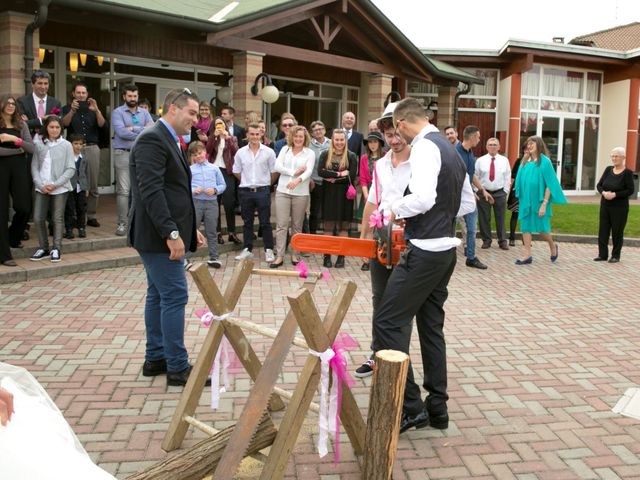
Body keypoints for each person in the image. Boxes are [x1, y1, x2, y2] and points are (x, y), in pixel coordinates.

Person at [372, 98, 475, 434]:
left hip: (426, 251)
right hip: (444, 249)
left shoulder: (425, 147)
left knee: (386, 323)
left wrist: (392, 209)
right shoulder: (450, 149)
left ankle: (412, 407)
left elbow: (425, 198)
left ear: (402, 123)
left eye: (393, 127)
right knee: (430, 327)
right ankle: (438, 408)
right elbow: (465, 203)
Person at [128, 88, 206, 387]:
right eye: (191, 113)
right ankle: (176, 366)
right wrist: (172, 234)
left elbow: (174, 191)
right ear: (173, 109)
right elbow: (152, 192)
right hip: (157, 237)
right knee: (175, 295)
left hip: (162, 234)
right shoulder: (151, 139)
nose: (195, 120)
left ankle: (156, 358)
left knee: (159, 295)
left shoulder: (169, 138)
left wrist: (189, 230)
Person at [355, 102, 411, 378]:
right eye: (389, 135)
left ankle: (399, 358)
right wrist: (365, 236)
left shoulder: (420, 164)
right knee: (380, 297)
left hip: (409, 239)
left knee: (402, 302)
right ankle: (377, 353)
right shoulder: (379, 166)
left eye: (398, 133)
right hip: (381, 235)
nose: (394, 140)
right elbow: (372, 202)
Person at [514, 136, 567, 265]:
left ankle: (553, 246)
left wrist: (544, 203)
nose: (529, 146)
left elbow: (550, 184)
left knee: (542, 230)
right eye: (528, 144)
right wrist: (523, 162)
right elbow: (518, 181)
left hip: (539, 201)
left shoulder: (545, 161)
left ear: (539, 145)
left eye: (532, 143)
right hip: (526, 200)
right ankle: (527, 255)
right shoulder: (525, 161)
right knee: (525, 227)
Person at [30, 116, 75, 263]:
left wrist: (55, 184)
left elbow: (70, 168)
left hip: (59, 187)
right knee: (38, 217)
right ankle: (43, 247)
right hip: (41, 187)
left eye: (57, 127)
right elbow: (35, 167)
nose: (54, 130)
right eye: (51, 127)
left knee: (57, 218)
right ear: (46, 128)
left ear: (61, 128)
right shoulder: (39, 145)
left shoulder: (67, 145)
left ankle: (56, 248)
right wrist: (40, 184)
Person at [111, 83, 154, 236]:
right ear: (124, 96)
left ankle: (139, 221)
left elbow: (152, 129)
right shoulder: (117, 112)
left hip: (141, 153)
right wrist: (142, 130)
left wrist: (133, 129)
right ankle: (122, 224)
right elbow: (121, 132)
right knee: (123, 190)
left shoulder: (144, 112)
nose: (133, 99)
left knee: (141, 188)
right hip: (122, 153)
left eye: (135, 96)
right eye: (129, 96)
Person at [61, 82, 106, 228]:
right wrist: (72, 112)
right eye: (78, 92)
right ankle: (74, 216)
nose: (81, 95)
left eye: (83, 93)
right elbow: (63, 125)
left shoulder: (93, 109)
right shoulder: (67, 109)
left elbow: (102, 125)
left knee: (93, 184)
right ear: (73, 94)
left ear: (87, 94)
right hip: (73, 149)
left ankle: (91, 215)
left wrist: (97, 110)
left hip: (92, 148)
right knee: (73, 183)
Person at [233, 123, 277, 262]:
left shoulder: (269, 152)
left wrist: (265, 184)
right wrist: (247, 182)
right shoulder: (240, 152)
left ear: (261, 135)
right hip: (246, 192)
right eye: (252, 134)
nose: (254, 137)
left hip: (263, 191)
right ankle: (247, 249)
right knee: (247, 222)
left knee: (265, 222)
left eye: (257, 134)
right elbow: (236, 171)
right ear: (247, 135)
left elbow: (274, 171)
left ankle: (269, 249)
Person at [272, 125, 315, 268]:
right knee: (281, 225)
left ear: (305, 138)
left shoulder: (309, 153)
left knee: (297, 226)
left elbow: (308, 171)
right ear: (292, 137)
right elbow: (277, 166)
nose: (298, 139)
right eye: (296, 136)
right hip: (283, 192)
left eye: (301, 137)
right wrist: (294, 172)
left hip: (301, 193)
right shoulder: (285, 150)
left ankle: (295, 254)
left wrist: (298, 180)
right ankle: (279, 256)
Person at [0, 94, 34, 267]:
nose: (11, 106)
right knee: (2, 211)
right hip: (1, 167)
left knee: (24, 206)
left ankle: (13, 237)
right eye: (8, 103)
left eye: (13, 103)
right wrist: (18, 149)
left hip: (19, 167)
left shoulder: (22, 124)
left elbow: (31, 148)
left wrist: (14, 139)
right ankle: (4, 254)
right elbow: (22, 149)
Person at [317, 128, 357, 268]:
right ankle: (326, 256)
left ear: (345, 141)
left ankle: (341, 257)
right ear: (332, 140)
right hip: (328, 194)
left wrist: (332, 178)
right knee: (328, 226)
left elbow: (351, 176)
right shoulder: (325, 154)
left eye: (341, 140)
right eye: (336, 139)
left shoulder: (351, 156)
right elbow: (320, 172)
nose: (339, 142)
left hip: (345, 195)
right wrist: (340, 175)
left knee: (343, 227)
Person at [455, 125, 490, 270]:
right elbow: (455, 176)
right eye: (478, 137)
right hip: (456, 196)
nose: (479, 139)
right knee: (449, 227)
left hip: (468, 195)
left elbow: (471, 175)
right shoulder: (455, 152)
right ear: (472, 137)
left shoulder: (470, 153)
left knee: (471, 228)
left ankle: (471, 257)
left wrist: (481, 190)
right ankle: (446, 257)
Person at [188, 140, 226, 268]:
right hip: (196, 203)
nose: (198, 156)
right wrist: (193, 191)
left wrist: (215, 190)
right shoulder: (190, 170)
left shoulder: (214, 168)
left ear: (205, 152)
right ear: (192, 157)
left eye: (200, 153)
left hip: (211, 203)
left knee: (212, 231)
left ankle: (214, 257)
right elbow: (184, 187)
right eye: (195, 154)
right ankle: (185, 257)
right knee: (192, 230)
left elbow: (223, 185)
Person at [594, 147, 635, 263]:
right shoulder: (608, 170)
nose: (614, 158)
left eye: (616, 156)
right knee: (603, 230)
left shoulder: (627, 173)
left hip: (619, 207)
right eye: (612, 156)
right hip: (605, 205)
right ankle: (602, 255)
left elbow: (630, 190)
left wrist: (615, 194)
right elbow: (599, 185)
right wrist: (603, 192)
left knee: (617, 232)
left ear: (623, 157)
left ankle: (615, 256)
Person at [205, 116, 240, 245]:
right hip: (214, 171)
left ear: (225, 125)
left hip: (227, 171)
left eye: (222, 124)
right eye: (217, 124)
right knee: (216, 203)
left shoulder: (232, 138)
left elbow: (236, 152)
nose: (220, 126)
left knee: (229, 202)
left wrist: (228, 139)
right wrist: (213, 137)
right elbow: (207, 151)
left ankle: (232, 232)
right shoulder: (212, 138)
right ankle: (218, 233)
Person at [475, 138, 511, 250]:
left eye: (495, 145)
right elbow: (475, 176)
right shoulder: (480, 160)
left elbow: (507, 177)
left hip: (500, 193)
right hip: (484, 192)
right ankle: (486, 240)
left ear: (499, 147)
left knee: (500, 218)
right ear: (486, 146)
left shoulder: (504, 160)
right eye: (490, 144)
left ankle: (502, 241)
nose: (492, 146)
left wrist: (505, 191)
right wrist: (478, 191)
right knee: (484, 218)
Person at [357, 130, 385, 270]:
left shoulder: (386, 157)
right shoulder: (363, 158)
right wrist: (367, 195)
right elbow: (362, 178)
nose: (373, 145)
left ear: (379, 143)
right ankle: (366, 258)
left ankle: (379, 256)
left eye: (375, 142)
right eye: (370, 142)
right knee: (367, 227)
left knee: (380, 227)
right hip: (368, 191)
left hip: (383, 193)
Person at [17, 70, 62, 137]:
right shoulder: (22, 102)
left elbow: (59, 124)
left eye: (46, 83)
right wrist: (41, 120)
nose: (43, 87)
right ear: (32, 84)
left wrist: (31, 122)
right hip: (29, 141)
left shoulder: (56, 103)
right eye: (40, 83)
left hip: (49, 142)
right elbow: (20, 124)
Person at [63, 134, 89, 240]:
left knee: (81, 208)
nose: (78, 146)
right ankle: (69, 230)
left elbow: (86, 173)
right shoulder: (67, 158)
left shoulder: (84, 158)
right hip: (70, 186)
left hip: (81, 187)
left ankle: (81, 228)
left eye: (80, 144)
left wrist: (86, 187)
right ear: (70, 144)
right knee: (69, 208)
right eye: (75, 144)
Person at [308, 120, 330, 234]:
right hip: (315, 182)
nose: (318, 131)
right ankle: (312, 233)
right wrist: (309, 179)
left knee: (329, 209)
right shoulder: (308, 145)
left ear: (325, 130)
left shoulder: (332, 143)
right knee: (314, 210)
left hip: (329, 182)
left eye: (320, 129)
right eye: (315, 130)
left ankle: (328, 233)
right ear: (312, 133)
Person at [507, 145, 526, 246]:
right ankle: (512, 238)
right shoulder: (519, 160)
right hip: (518, 189)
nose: (527, 150)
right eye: (525, 148)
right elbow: (513, 174)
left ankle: (526, 238)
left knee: (526, 216)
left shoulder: (535, 161)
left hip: (529, 192)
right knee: (515, 214)